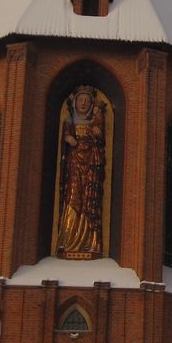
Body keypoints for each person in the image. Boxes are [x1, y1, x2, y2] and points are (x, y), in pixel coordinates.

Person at [56, 86, 107, 258]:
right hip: (74, 165)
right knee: (73, 197)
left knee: (89, 199)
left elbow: (100, 141)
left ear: (92, 104)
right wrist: (68, 138)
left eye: (87, 100)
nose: (83, 102)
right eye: (80, 99)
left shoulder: (96, 122)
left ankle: (90, 241)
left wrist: (97, 133)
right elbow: (66, 138)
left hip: (90, 164)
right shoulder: (69, 121)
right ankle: (68, 240)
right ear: (75, 102)